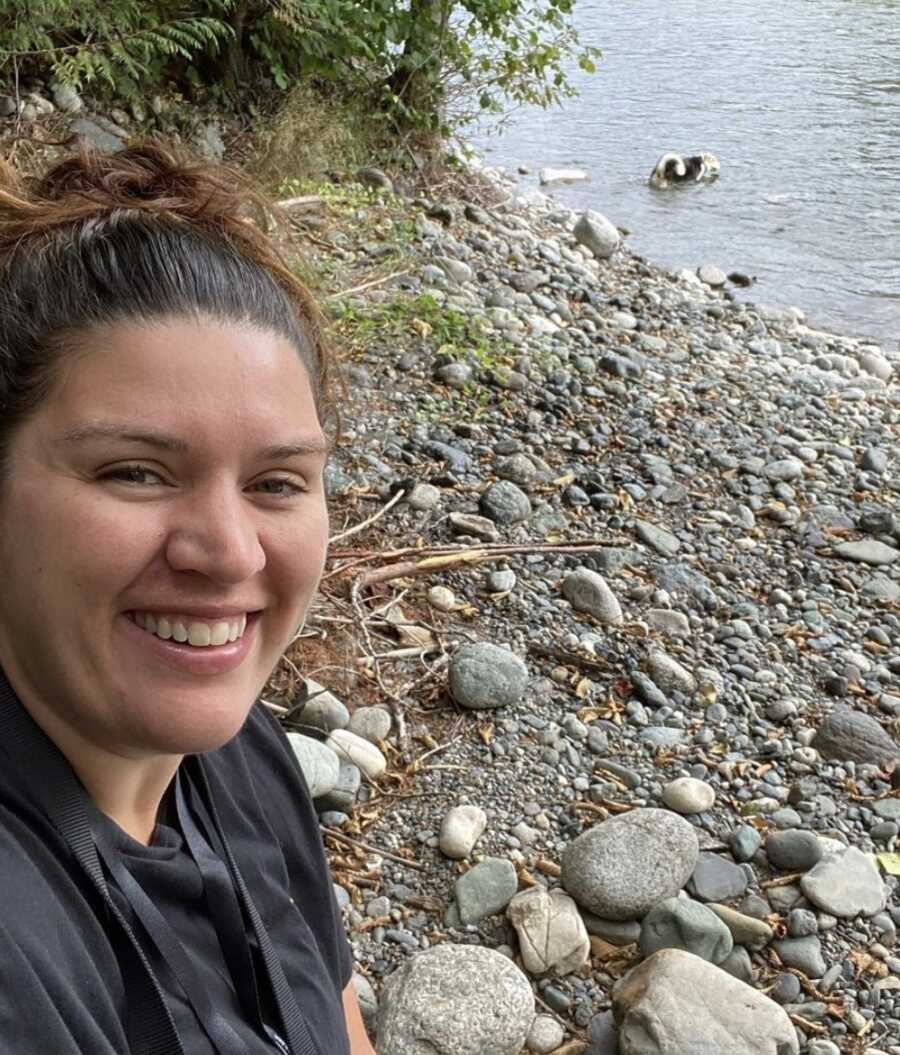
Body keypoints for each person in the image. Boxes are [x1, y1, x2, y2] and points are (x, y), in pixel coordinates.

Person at [0, 138, 376, 1055]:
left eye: (278, 483)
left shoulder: (239, 749)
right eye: (135, 472)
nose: (228, 551)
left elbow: (335, 1008)